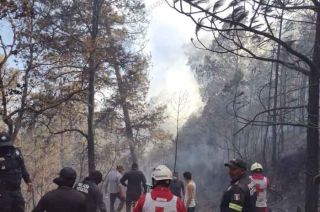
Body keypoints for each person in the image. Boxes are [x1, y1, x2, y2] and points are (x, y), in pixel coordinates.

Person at [0, 132, 33, 212]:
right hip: (3, 192)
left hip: (17, 190)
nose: (5, 147)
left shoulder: (17, 153)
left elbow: (22, 167)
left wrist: (28, 181)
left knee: (20, 208)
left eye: (7, 145)